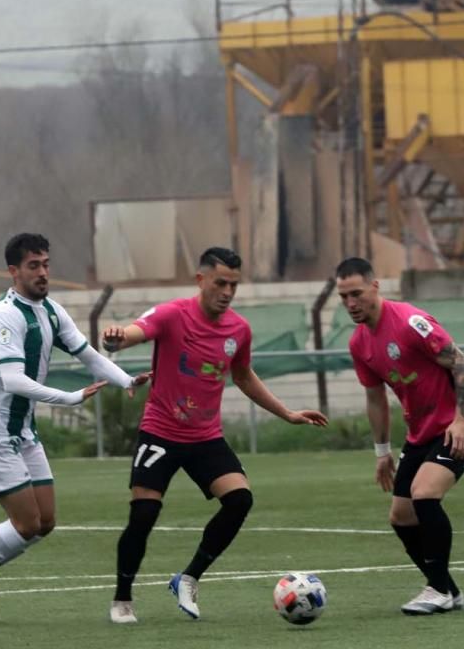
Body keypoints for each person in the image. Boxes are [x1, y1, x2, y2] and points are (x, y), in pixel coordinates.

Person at [0, 233, 148, 624]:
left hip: (23, 431)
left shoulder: (51, 310)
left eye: (46, 264)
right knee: (26, 523)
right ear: (14, 271)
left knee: (45, 523)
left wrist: (126, 381)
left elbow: (88, 354)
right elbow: (12, 381)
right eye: (34, 266)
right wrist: (71, 397)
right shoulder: (4, 315)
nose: (43, 272)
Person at [101, 246, 328, 624]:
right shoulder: (173, 314)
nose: (226, 291)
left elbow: (243, 377)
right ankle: (123, 599)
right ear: (200, 279)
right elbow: (134, 332)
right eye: (220, 282)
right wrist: (115, 338)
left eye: (233, 285)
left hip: (205, 437)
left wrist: (287, 413)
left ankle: (188, 578)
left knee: (239, 500)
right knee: (144, 514)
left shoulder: (238, 329)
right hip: (161, 431)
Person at [336, 257, 464, 615]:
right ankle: (448, 588)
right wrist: (382, 451)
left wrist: (461, 419)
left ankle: (436, 589)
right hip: (420, 436)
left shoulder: (410, 323)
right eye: (343, 297)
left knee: (424, 494)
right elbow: (375, 398)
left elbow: (462, 364)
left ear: (375, 287)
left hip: (460, 429)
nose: (350, 303)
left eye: (356, 293)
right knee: (401, 516)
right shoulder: (359, 344)